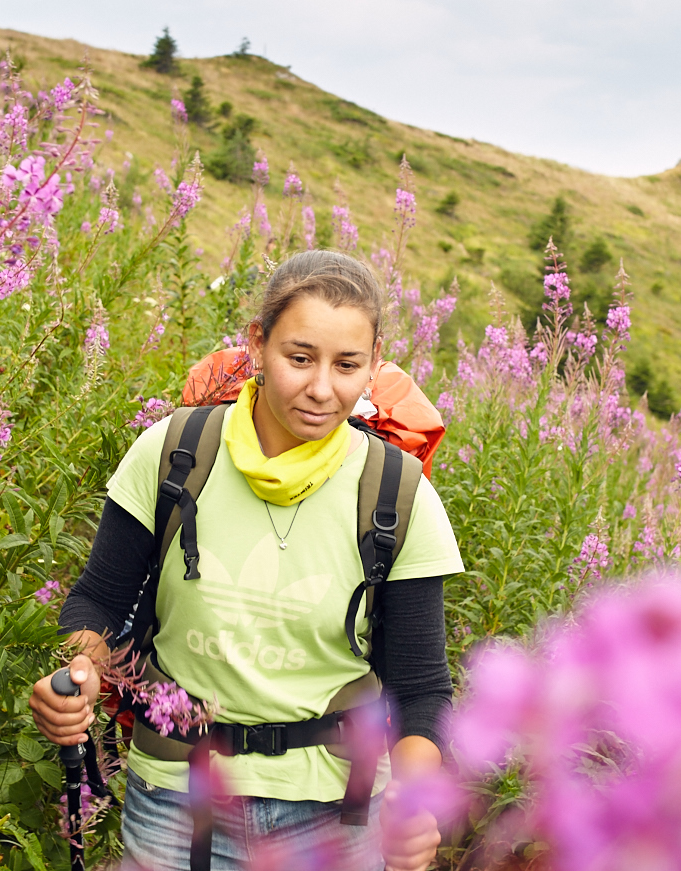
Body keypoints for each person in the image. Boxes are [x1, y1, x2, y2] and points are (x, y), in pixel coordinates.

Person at [28, 250, 460, 871]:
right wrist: (80, 672)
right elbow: (98, 599)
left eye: (347, 365)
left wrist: (415, 804)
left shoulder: (398, 494)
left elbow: (420, 689)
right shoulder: (175, 451)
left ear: (373, 365)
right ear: (258, 343)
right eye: (300, 357)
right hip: (177, 798)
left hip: (337, 812)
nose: (321, 388)